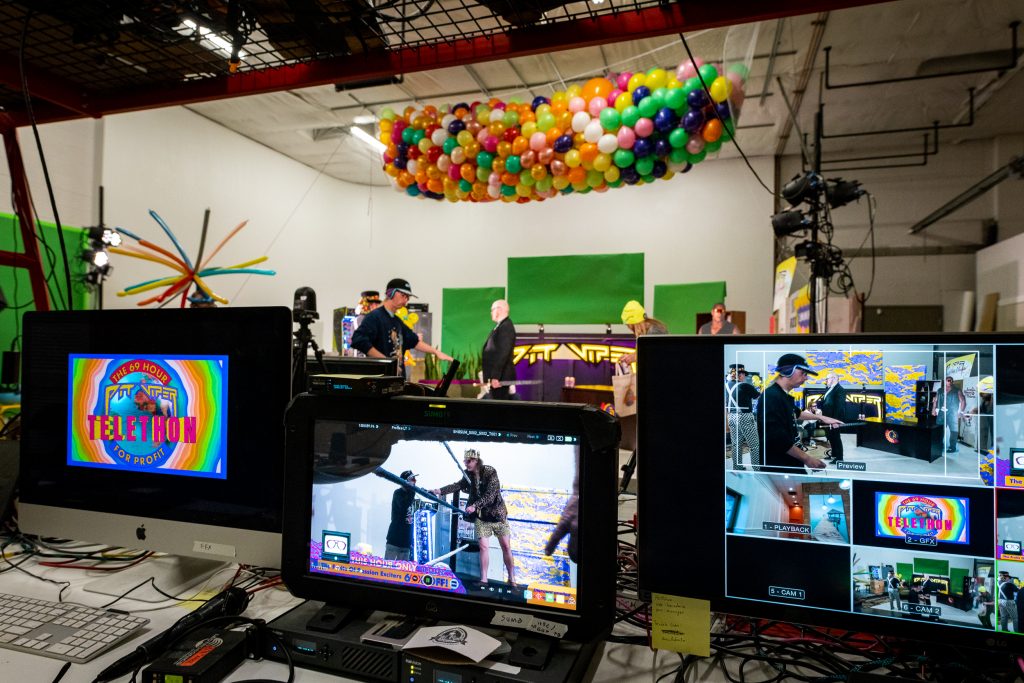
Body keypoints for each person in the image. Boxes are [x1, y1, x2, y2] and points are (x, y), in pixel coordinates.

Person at [431, 449, 516, 585]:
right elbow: (457, 485)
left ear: (476, 460)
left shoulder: (490, 472)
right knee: (483, 547)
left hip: (497, 515)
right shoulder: (469, 475)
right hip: (482, 518)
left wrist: (475, 505)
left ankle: (512, 578)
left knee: (506, 546)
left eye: (469, 461)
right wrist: (439, 490)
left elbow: (491, 494)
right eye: (465, 461)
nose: (466, 463)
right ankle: (483, 579)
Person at [756, 353, 844, 473]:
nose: (806, 378)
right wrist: (807, 459)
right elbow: (776, 438)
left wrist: (823, 418)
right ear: (787, 371)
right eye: (803, 373)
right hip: (779, 465)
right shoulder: (771, 397)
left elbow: (797, 413)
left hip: (790, 460)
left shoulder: (782, 395)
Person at [351, 278, 453, 374]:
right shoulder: (374, 317)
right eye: (403, 295)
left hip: (397, 379)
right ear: (390, 293)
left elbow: (414, 341)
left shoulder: (397, 322)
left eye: (408, 297)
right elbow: (359, 340)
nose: (406, 300)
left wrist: (436, 352)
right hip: (380, 379)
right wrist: (387, 362)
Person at [725, 364, 761, 470]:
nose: (745, 377)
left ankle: (737, 466)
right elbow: (759, 396)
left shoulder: (727, 385)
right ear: (740, 375)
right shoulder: (744, 386)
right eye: (744, 374)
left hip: (731, 416)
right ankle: (757, 468)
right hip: (744, 416)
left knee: (736, 444)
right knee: (754, 445)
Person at [481, 299, 516, 400]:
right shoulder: (500, 326)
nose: (491, 313)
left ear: (499, 310)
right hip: (497, 378)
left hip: (500, 378)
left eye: (492, 310)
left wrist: (496, 376)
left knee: (498, 407)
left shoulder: (506, 327)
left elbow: (503, 353)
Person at [618, 300, 668, 364]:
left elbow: (659, 356)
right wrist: (631, 356)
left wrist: (636, 357)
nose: (629, 328)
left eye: (628, 325)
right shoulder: (649, 330)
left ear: (634, 323)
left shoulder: (655, 332)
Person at [385, 470, 418, 561]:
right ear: (405, 481)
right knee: (388, 570)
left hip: (406, 543)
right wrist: (412, 491)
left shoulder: (411, 495)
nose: (415, 481)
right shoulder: (398, 493)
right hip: (394, 541)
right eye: (412, 479)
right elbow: (404, 506)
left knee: (404, 573)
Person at [817, 372, 848, 462]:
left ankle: (839, 458)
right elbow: (826, 403)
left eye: (827, 379)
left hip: (834, 419)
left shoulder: (840, 390)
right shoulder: (829, 389)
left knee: (836, 438)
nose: (826, 380)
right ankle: (834, 455)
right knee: (830, 437)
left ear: (834, 378)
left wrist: (835, 421)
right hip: (827, 419)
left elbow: (840, 407)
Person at [933, 376, 965, 454]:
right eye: (948, 380)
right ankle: (939, 445)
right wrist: (933, 409)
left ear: (952, 381)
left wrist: (961, 412)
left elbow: (963, 401)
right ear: (945, 381)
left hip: (952, 413)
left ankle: (952, 447)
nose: (949, 382)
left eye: (950, 380)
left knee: (954, 430)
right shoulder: (940, 390)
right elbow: (935, 400)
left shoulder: (957, 390)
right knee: (939, 429)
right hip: (941, 412)